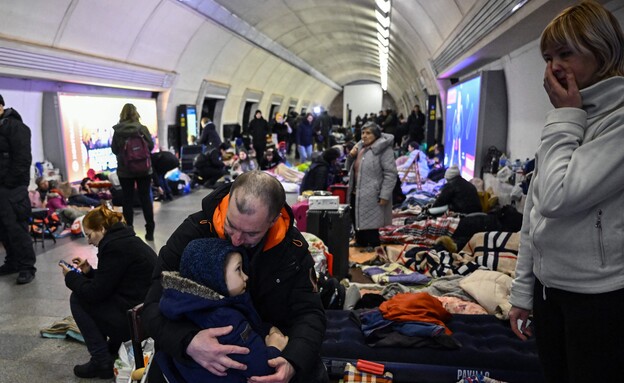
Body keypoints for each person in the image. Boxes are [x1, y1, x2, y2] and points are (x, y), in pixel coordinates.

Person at [508, 3, 624, 382]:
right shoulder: (568, 117)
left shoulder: (612, 121)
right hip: (548, 289)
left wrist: (565, 116)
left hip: (597, 298)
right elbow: (534, 212)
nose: (553, 67)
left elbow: (559, 197)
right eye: (547, 57)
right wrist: (524, 292)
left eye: (565, 53)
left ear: (602, 50)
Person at [142, 170, 327, 383]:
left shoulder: (291, 250)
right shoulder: (194, 233)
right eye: (231, 225)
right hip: (190, 359)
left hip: (267, 351)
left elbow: (310, 312)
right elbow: (153, 304)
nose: (237, 240)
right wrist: (188, 341)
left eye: (251, 234)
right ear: (228, 201)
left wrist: (292, 361)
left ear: (273, 220)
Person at [156, 238, 289, 383]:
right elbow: (262, 369)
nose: (246, 277)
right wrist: (275, 348)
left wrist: (267, 328)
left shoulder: (188, 305)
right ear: (215, 276)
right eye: (238, 269)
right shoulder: (225, 319)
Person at [60, 205, 156, 379]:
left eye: (89, 235)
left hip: (136, 321)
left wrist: (71, 277)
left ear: (102, 229)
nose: (88, 241)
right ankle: (113, 347)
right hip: (145, 311)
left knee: (78, 298)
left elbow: (95, 293)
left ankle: (101, 360)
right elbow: (114, 280)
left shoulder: (114, 247)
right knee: (87, 292)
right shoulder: (125, 240)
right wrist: (89, 272)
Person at [0, 94, 37, 284]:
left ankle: (26, 266)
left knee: (16, 228)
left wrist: (8, 182)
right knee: (3, 229)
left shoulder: (16, 127)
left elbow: (22, 159)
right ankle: (13, 261)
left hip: (12, 188)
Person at [346, 122, 397, 250]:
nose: (364, 136)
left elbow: (390, 174)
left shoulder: (384, 149)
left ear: (376, 135)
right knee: (356, 216)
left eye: (368, 133)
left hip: (373, 192)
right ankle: (360, 241)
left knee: (371, 220)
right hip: (356, 191)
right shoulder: (360, 148)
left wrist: (385, 194)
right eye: (363, 133)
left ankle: (373, 244)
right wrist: (351, 156)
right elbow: (348, 169)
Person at [111, 103, 156, 241]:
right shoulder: (142, 129)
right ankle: (149, 231)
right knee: (145, 198)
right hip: (144, 169)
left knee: (127, 200)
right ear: (135, 113)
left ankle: (129, 230)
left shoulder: (118, 131)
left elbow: (114, 150)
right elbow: (151, 146)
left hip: (125, 171)